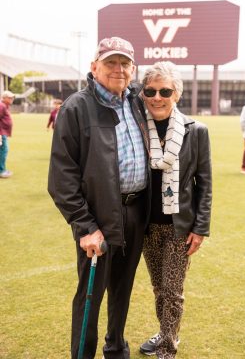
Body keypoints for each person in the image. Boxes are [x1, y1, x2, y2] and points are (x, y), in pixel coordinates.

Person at [48, 36, 150, 359]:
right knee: (90, 295)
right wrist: (85, 226)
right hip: (98, 218)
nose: (118, 69)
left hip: (135, 211)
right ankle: (83, 354)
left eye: (124, 63)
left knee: (123, 289)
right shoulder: (76, 107)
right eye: (110, 62)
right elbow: (61, 178)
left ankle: (116, 347)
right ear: (94, 67)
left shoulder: (137, 102)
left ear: (133, 70)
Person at [138, 61, 212, 359]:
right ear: (142, 93)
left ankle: (168, 348)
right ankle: (166, 332)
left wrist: (201, 227)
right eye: (151, 90)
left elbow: (204, 182)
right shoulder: (137, 127)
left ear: (176, 94)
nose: (157, 97)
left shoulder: (197, 131)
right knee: (159, 288)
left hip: (179, 226)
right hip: (144, 224)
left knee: (172, 290)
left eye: (165, 90)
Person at [0, 90, 15, 178]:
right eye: (9, 97)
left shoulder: (5, 106)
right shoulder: (1, 106)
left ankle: (2, 169)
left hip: (3, 132)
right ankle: (2, 171)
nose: (11, 99)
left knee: (3, 151)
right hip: (1, 133)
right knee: (3, 151)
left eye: (12, 97)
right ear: (4, 98)